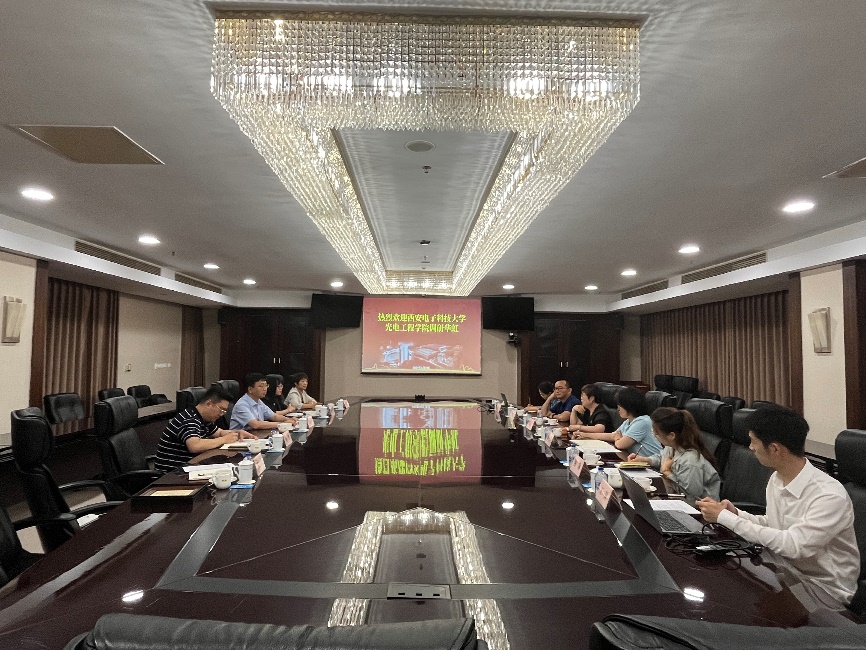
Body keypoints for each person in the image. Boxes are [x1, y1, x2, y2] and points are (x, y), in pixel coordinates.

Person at [696, 405, 859, 611]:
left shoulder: (828, 496)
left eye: (753, 441)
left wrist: (726, 519)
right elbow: (775, 525)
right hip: (787, 575)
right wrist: (737, 514)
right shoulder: (777, 478)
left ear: (774, 449)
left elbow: (793, 545)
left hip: (825, 591)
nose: (751, 447)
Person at [628, 407, 720, 504]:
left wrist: (667, 473)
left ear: (671, 435)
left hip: (699, 509)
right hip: (674, 498)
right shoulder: (671, 447)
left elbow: (692, 498)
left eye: (657, 434)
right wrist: (646, 460)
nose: (654, 436)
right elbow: (661, 458)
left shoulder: (690, 461)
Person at [154, 386, 256, 472]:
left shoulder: (203, 418)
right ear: (208, 404)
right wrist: (224, 440)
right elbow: (195, 445)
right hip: (172, 473)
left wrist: (237, 433)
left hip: (190, 467)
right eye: (221, 410)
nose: (222, 414)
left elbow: (219, 432)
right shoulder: (189, 418)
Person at [231, 373, 296, 431]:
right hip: (239, 438)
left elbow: (274, 416)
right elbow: (255, 424)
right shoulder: (241, 405)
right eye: (261, 386)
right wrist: (282, 424)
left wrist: (288, 420)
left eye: (266, 385)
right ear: (250, 389)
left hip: (255, 435)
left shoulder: (259, 401)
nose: (265, 389)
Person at [611, 387, 662, 458]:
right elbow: (613, 435)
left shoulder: (643, 422)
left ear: (629, 406)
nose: (618, 409)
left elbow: (620, 445)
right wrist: (593, 435)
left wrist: (617, 439)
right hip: (639, 461)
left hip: (654, 462)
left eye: (620, 406)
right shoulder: (628, 421)